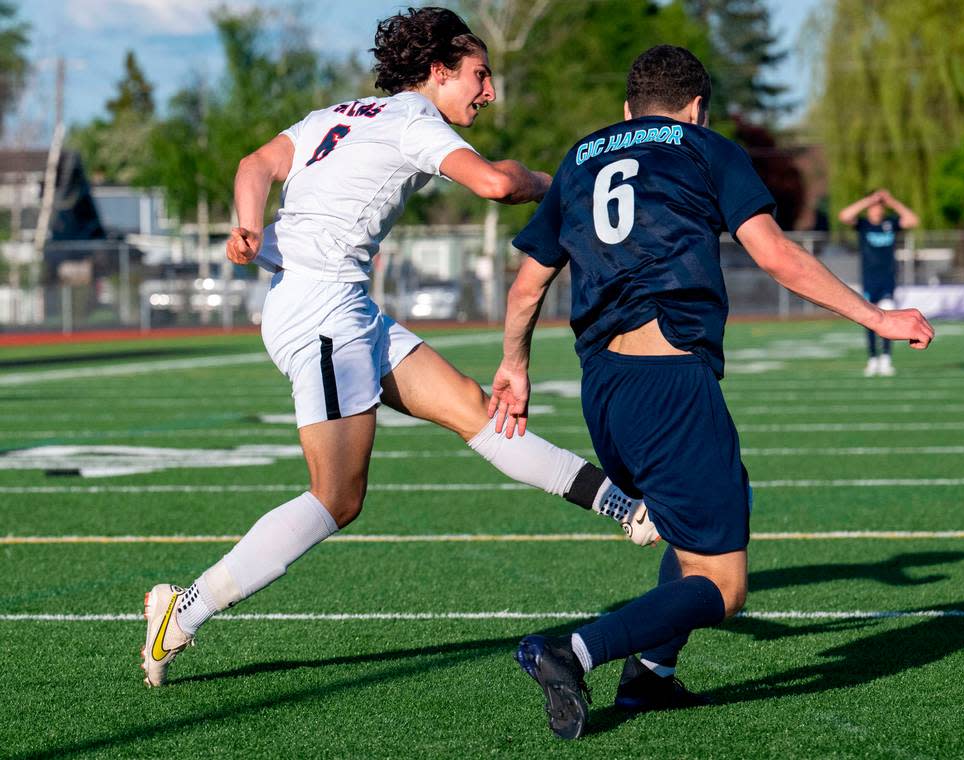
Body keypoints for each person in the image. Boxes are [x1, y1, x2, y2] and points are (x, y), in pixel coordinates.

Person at [140, 7, 658, 689]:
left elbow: (255, 164)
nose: (488, 91)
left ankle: (626, 507)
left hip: (339, 307)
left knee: (477, 410)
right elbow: (497, 183)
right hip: (322, 313)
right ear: (438, 71)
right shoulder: (414, 121)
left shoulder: (338, 113)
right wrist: (563, 183)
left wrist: (246, 224)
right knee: (336, 498)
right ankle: (184, 610)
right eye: (480, 75)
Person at [488, 45, 934, 739]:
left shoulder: (581, 157)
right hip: (669, 384)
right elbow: (776, 255)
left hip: (604, 387)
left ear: (626, 109)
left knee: (725, 499)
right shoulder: (704, 147)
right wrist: (879, 317)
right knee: (723, 587)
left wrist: (514, 365)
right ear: (696, 108)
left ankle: (650, 678)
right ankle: (571, 652)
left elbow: (526, 287)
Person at [837, 188, 920, 376]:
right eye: (874, 207)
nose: (877, 210)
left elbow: (913, 220)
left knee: (888, 317)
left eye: (879, 207)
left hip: (887, 281)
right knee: (870, 321)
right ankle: (872, 358)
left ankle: (886, 359)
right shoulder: (863, 225)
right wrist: (868, 200)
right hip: (869, 281)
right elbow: (844, 215)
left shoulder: (890, 223)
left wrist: (892, 202)